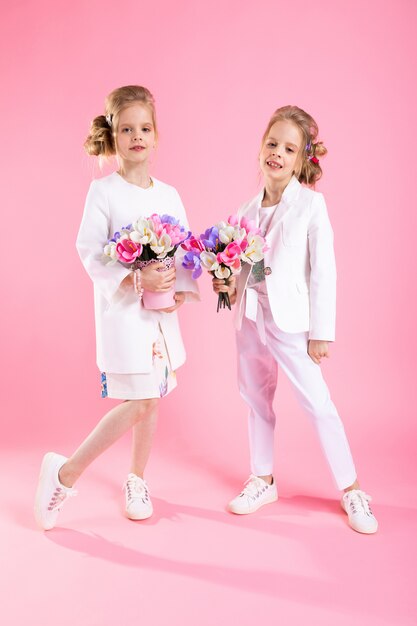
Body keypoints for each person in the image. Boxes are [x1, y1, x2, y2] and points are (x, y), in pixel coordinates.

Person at [34, 85, 199, 530]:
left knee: (154, 394)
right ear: (113, 135)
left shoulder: (169, 193)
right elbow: (89, 248)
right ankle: (66, 473)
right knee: (142, 397)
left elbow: (185, 247)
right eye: (127, 129)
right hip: (125, 313)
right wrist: (132, 276)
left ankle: (137, 478)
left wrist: (181, 288)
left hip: (160, 315)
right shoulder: (103, 192)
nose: (137, 136)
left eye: (145, 128)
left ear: (156, 135)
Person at [213, 105, 377, 534]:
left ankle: (352, 488)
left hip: (292, 323)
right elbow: (247, 268)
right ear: (260, 149)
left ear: (302, 160)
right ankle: (262, 479)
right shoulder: (246, 210)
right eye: (272, 144)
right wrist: (227, 283)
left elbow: (324, 269)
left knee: (318, 404)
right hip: (251, 320)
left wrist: (321, 333)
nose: (277, 154)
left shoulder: (311, 205)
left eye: (289, 149)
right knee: (256, 400)